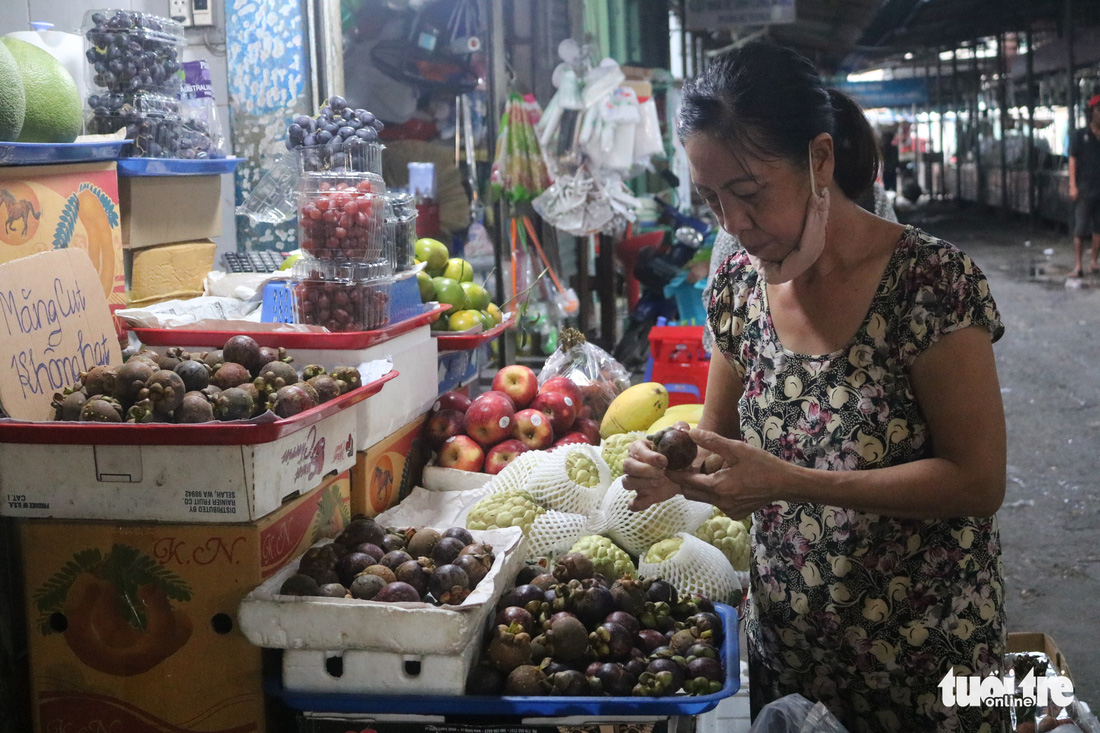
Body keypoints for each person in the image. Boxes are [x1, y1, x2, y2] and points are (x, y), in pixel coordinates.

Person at [624, 42, 1007, 731]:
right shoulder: (738, 284)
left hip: (931, 672)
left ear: (820, 159)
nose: (733, 224)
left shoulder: (933, 283)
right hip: (791, 664)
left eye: (748, 193)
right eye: (712, 199)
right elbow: (720, 447)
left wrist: (794, 482)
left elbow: (978, 480)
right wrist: (671, 466)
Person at [1069, 94, 1100, 277]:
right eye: (1098, 110)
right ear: (1091, 112)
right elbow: (1072, 161)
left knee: (1099, 229)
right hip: (1084, 189)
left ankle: (1094, 262)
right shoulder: (1080, 135)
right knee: (1080, 229)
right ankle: (1079, 266)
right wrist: (1073, 185)